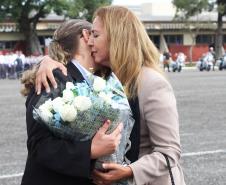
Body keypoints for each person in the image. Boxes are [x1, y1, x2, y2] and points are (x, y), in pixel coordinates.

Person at [35, 6, 186, 185]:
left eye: (96, 36)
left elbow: (169, 152)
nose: (90, 42)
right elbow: (72, 61)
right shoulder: (104, 77)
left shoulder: (152, 83)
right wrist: (47, 61)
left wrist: (129, 171)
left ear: (117, 38)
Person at [20, 19, 122, 185]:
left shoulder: (100, 79)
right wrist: (89, 150)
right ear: (85, 35)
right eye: (95, 34)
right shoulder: (53, 76)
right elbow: (38, 144)